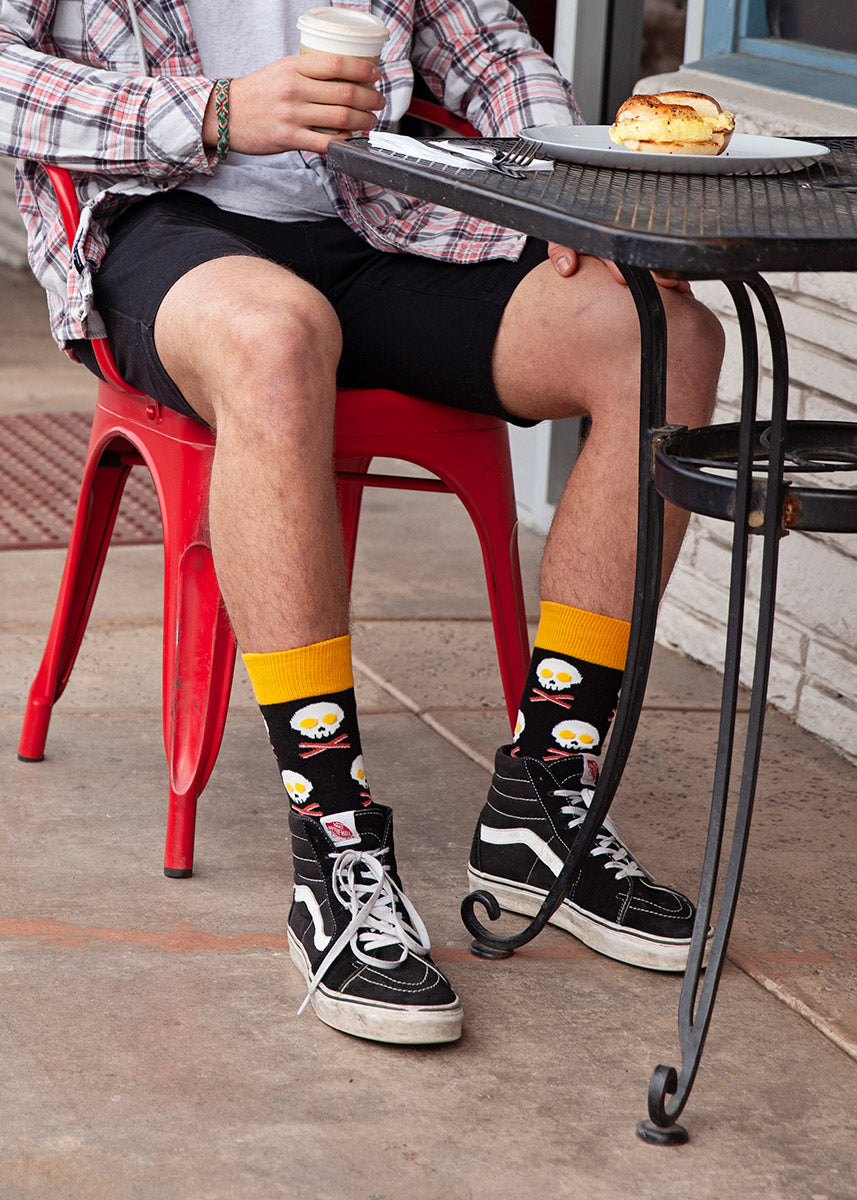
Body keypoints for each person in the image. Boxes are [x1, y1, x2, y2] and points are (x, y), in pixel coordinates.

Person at [0, 0, 724, 1046]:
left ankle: (547, 790)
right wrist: (206, 113)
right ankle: (331, 834)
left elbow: (486, 48)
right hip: (164, 225)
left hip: (382, 215)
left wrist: (569, 212)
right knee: (274, 343)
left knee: (663, 337)